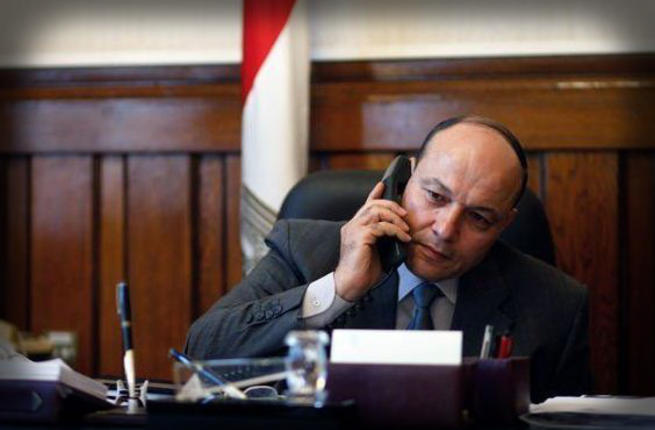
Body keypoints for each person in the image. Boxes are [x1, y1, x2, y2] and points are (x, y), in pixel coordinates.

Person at [185, 115, 590, 403]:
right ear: (404, 179)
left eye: (479, 218)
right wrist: (338, 289)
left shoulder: (555, 304)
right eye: (435, 196)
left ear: (504, 223)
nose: (445, 229)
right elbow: (201, 352)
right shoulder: (305, 250)